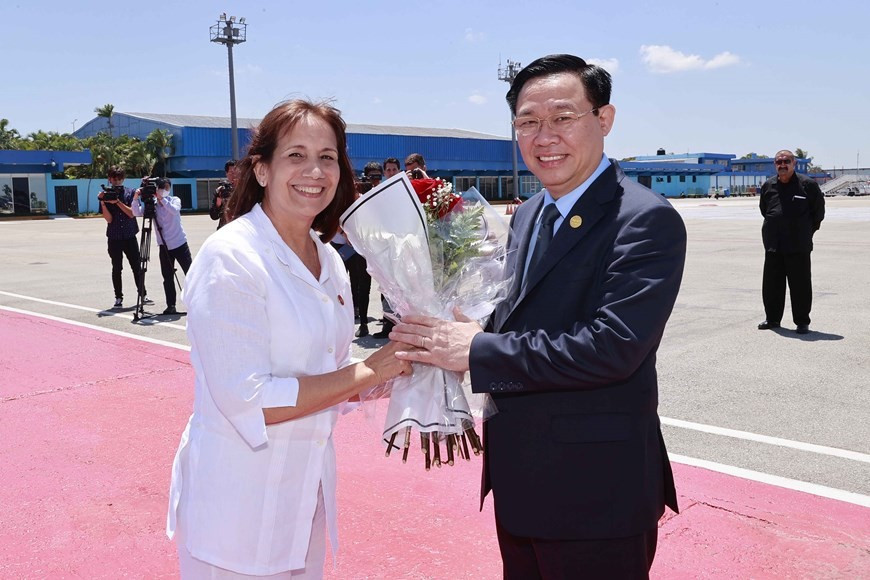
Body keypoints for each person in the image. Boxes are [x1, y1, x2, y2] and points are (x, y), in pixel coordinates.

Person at [390, 54, 686, 578]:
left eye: (563, 117)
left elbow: (612, 347)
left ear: (604, 120)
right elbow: (522, 319)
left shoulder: (643, 219)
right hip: (522, 480)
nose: (543, 135)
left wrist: (476, 350)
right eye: (527, 122)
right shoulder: (528, 213)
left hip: (597, 496)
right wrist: (457, 325)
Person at [166, 100, 411, 579]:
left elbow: (330, 379)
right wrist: (372, 368)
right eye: (295, 155)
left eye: (327, 156)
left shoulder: (330, 260)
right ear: (261, 169)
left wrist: (407, 361)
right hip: (237, 511)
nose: (314, 171)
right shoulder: (232, 257)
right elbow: (251, 401)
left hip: (304, 500)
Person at [758, 149, 825, 334]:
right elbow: (765, 210)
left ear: (794, 164)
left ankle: (802, 322)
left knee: (800, 285)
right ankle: (772, 319)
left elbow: (818, 213)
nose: (782, 165)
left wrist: (806, 232)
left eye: (786, 161)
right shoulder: (768, 186)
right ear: (775, 165)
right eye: (779, 162)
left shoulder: (808, 185)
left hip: (798, 245)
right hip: (773, 244)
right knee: (772, 285)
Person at [131, 178, 193, 315]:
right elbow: (136, 212)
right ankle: (171, 305)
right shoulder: (152, 205)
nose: (165, 190)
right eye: (162, 188)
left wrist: (161, 199)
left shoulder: (174, 200)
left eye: (167, 188)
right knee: (167, 277)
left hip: (179, 243)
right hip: (164, 246)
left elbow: (174, 210)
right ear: (156, 189)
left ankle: (195, 303)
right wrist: (136, 198)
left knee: (190, 274)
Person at [97, 166, 149, 309]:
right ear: (109, 179)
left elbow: (132, 213)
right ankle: (118, 297)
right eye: (114, 179)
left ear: (123, 179)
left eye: (119, 179)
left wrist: (117, 202)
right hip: (114, 236)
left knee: (136, 266)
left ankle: (143, 294)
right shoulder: (106, 195)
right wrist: (103, 201)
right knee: (116, 268)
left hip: (129, 235)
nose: (117, 182)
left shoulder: (130, 192)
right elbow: (108, 219)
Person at [210, 160, 237, 229]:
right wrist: (218, 205)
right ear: (226, 174)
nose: (234, 175)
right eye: (231, 172)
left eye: (236, 172)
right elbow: (214, 216)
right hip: (224, 229)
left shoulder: (245, 190)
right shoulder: (221, 191)